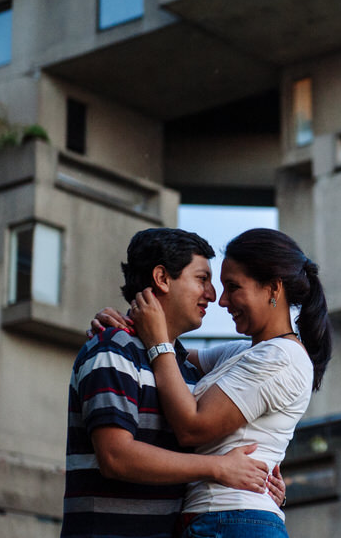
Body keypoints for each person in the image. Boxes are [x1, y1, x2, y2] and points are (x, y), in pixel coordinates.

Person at [62, 228, 284, 538]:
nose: (211, 295)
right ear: (162, 278)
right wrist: (218, 468)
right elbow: (114, 457)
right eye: (201, 280)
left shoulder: (185, 370)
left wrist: (265, 478)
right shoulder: (112, 349)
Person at [126, 228, 333, 538]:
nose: (221, 301)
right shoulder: (248, 352)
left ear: (273, 289)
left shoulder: (280, 358)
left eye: (233, 287)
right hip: (224, 521)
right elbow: (177, 357)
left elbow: (192, 426)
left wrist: (157, 342)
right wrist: (128, 325)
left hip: (231, 520)